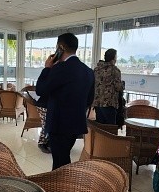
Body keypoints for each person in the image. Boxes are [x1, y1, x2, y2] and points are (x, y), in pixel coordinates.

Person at [36, 32, 95, 170]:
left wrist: (47, 68)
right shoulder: (88, 71)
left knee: (60, 163)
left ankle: (63, 182)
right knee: (63, 157)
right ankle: (64, 180)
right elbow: (90, 99)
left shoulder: (60, 68)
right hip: (77, 124)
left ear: (60, 47)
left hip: (59, 125)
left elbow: (40, 89)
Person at [93, 48, 122, 125]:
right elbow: (118, 87)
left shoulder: (96, 69)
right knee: (110, 128)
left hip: (97, 102)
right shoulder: (114, 70)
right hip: (109, 103)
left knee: (100, 126)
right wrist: (122, 85)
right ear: (113, 58)